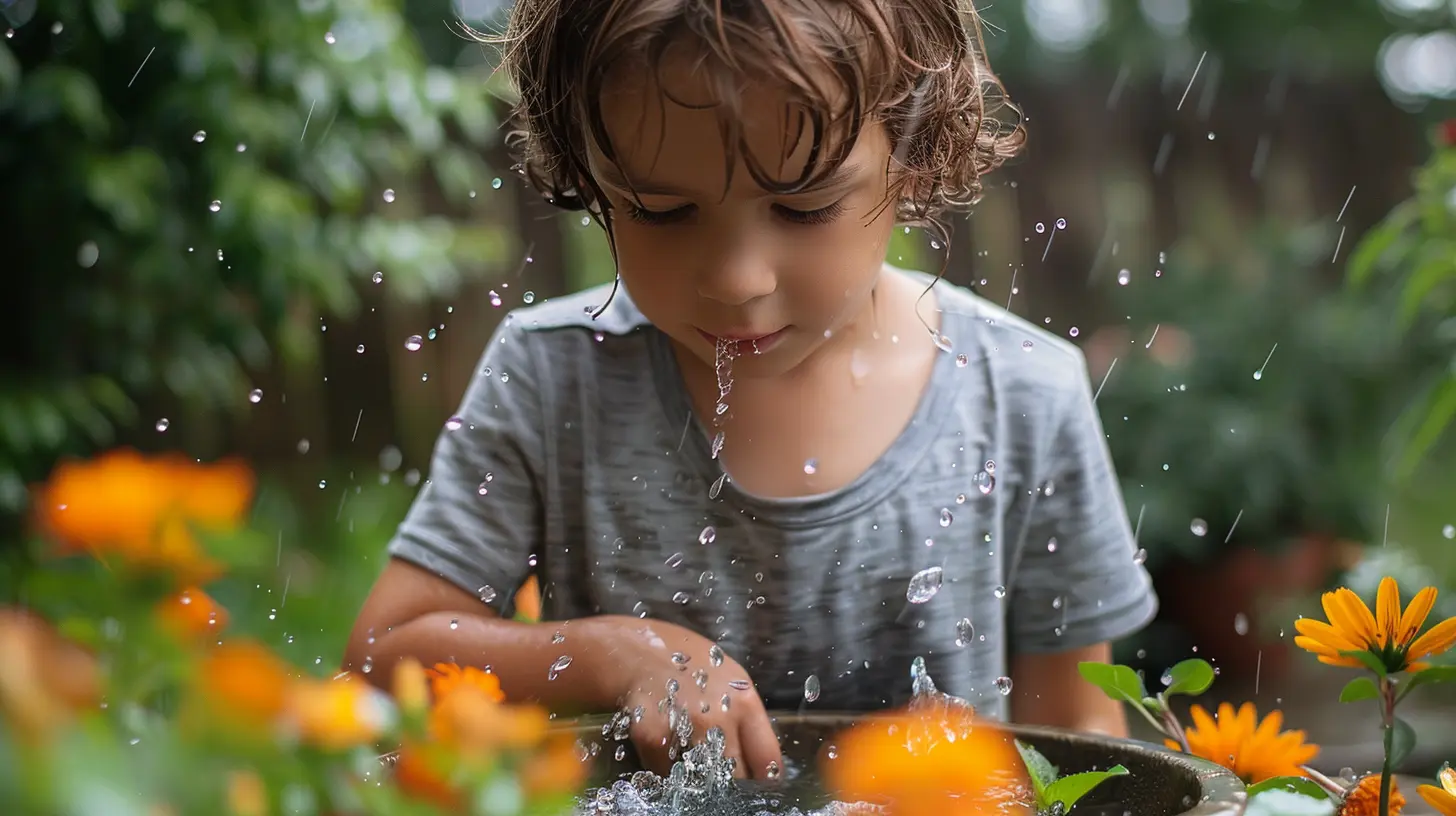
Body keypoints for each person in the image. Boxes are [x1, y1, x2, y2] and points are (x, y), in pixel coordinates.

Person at [345, 0, 1157, 781]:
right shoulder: (555, 378)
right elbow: (384, 657)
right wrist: (612, 654)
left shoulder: (1022, 394)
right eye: (661, 210)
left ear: (913, 156)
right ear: (588, 171)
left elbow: (1077, 741)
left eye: (804, 207)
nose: (737, 280)